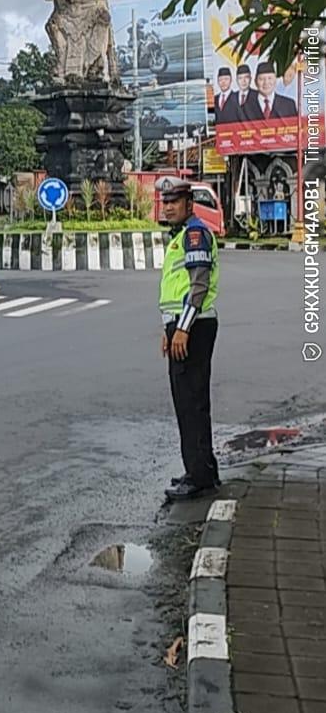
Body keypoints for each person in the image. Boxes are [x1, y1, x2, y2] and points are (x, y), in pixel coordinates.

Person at [159, 179, 220, 501]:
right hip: (183, 326)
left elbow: (198, 285)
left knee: (190, 403)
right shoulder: (182, 235)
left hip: (193, 327)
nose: (168, 206)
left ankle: (199, 477)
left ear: (189, 204)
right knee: (191, 401)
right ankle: (202, 469)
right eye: (165, 201)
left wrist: (181, 329)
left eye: (175, 201)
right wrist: (167, 329)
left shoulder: (195, 234)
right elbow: (175, 291)